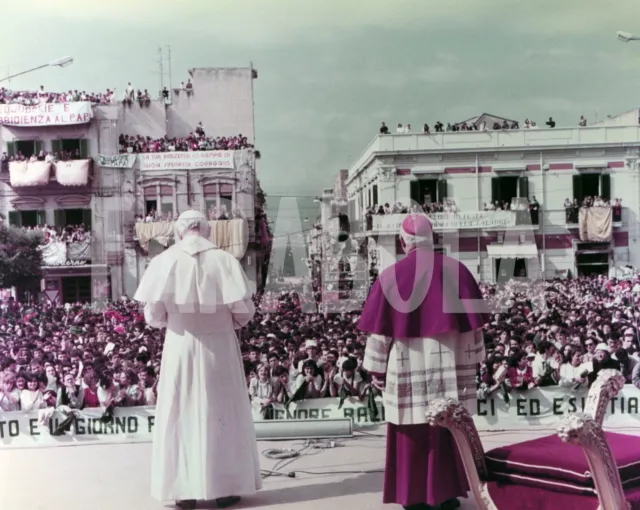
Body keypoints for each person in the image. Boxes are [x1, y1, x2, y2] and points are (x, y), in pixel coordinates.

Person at [358, 213, 488, 510]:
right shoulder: (459, 272)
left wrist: (377, 368)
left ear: (404, 243)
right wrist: (473, 363)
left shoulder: (391, 276)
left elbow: (379, 332)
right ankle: (447, 495)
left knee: (411, 433)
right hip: (451, 368)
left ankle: (414, 498)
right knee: (448, 430)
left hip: (406, 368)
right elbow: (474, 329)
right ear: (435, 240)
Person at [134, 210, 260, 510]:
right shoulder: (226, 260)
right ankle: (224, 489)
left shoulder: (163, 261)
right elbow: (244, 312)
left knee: (179, 413)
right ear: (207, 231)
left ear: (178, 233)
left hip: (180, 345)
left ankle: (183, 492)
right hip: (220, 348)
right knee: (222, 413)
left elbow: (153, 317)